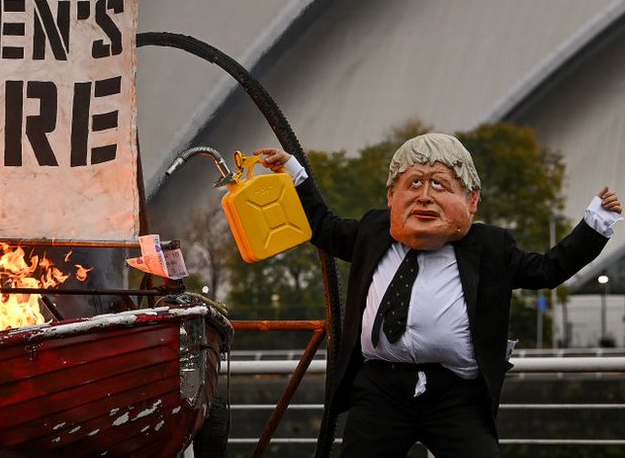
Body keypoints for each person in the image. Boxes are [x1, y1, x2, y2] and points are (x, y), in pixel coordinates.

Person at [255, 133, 622, 457]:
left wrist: (595, 224)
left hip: (455, 395)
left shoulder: (491, 248)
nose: (425, 197)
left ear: (472, 200)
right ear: (391, 196)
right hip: (381, 389)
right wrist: (292, 171)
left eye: (441, 186)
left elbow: (548, 269)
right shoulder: (373, 231)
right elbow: (323, 226)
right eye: (413, 184)